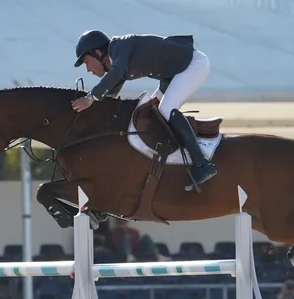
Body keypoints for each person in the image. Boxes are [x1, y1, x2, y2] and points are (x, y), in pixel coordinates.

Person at [71, 30, 217, 192]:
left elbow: (115, 74)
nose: (88, 69)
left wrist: (90, 98)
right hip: (174, 74)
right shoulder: (118, 61)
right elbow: (110, 94)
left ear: (98, 53)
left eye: (86, 62)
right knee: (148, 111)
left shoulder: (119, 47)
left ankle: (202, 164)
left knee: (166, 109)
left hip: (192, 65)